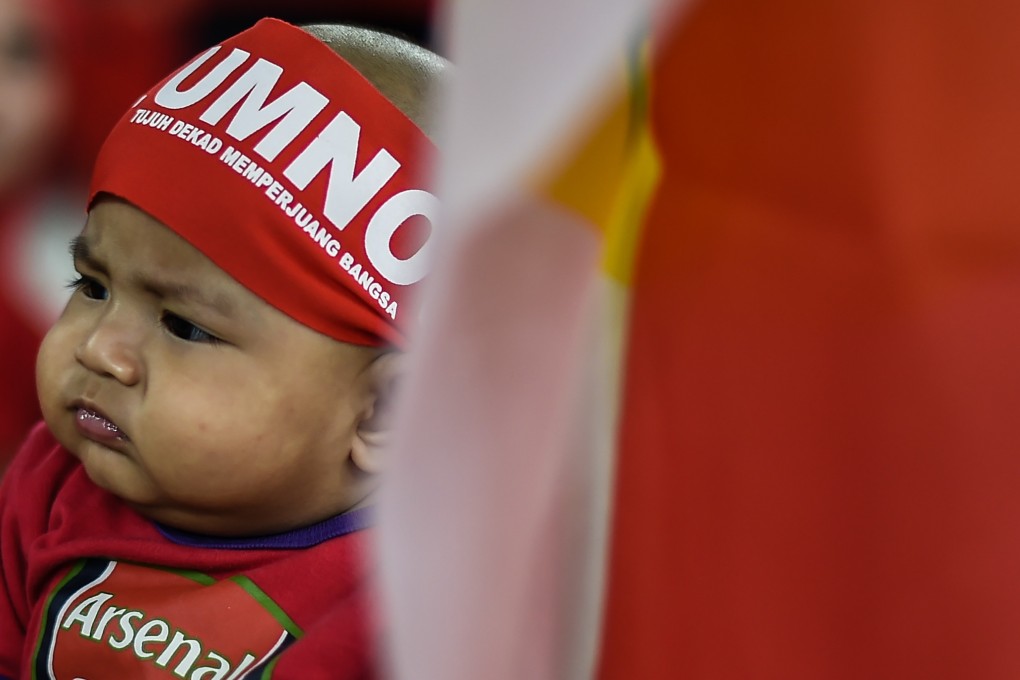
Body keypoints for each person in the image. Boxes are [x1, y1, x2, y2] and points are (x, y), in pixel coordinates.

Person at [0, 17, 445, 679]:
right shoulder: (50, 483)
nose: (99, 349)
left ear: (384, 411)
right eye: (92, 286)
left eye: (184, 327)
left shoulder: (412, 614)